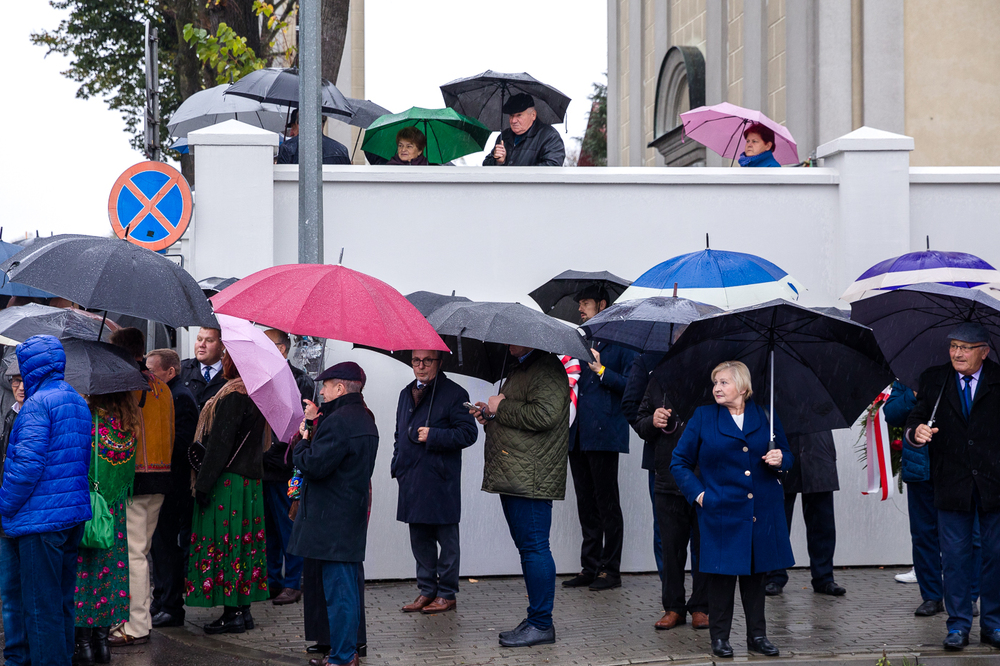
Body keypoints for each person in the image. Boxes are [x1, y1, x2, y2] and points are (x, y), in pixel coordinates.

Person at [670, 361, 793, 659]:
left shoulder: (765, 415)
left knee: (756, 578)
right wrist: (700, 496)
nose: (717, 388)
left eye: (724, 382)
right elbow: (679, 462)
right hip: (721, 510)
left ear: (743, 387)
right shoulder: (703, 416)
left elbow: (787, 457)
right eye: (715, 383)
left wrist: (780, 459)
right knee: (721, 578)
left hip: (760, 511)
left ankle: (757, 636)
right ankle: (720, 638)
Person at [906, 322, 1000, 651]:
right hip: (951, 483)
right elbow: (914, 417)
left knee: (995, 556)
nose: (957, 353)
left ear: (984, 352)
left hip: (994, 484)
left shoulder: (998, 380)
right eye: (954, 346)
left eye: (966, 347)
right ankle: (958, 625)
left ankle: (993, 624)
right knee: (955, 558)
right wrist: (916, 432)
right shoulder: (936, 378)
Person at [0, 335, 93, 666]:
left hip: (39, 519)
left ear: (31, 365)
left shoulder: (37, 405)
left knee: (40, 609)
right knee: (62, 602)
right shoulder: (76, 401)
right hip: (72, 515)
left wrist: (4, 508)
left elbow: (26, 468)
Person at [471, 344, 570, 648]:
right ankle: (536, 618)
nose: (507, 343)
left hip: (531, 474)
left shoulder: (547, 369)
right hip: (517, 471)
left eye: (514, 338)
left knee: (535, 547)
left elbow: (545, 415)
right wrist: (490, 416)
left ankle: (541, 623)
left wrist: (501, 408)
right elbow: (519, 418)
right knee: (529, 547)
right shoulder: (520, 368)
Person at [288, 362, 379, 666]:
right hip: (347, 514)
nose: (322, 391)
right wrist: (315, 424)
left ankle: (342, 656)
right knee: (346, 589)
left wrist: (303, 440)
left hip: (332, 519)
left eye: (325, 386)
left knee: (340, 593)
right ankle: (346, 651)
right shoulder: (363, 418)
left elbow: (314, 464)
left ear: (340, 388)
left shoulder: (340, 421)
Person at [186, 352, 269, 634]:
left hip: (228, 483)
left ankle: (232, 613)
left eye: (226, 356)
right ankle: (242, 610)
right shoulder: (256, 393)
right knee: (243, 546)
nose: (222, 360)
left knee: (226, 544)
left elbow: (220, 445)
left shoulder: (233, 394)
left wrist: (203, 485)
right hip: (249, 484)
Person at [392, 349, 478, 614]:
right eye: (416, 360)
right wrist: (397, 465)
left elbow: (468, 433)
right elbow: (399, 433)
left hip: (440, 480)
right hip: (412, 477)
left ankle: (447, 593)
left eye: (427, 361)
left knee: (447, 540)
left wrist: (435, 435)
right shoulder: (406, 392)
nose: (420, 366)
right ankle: (426, 590)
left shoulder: (455, 394)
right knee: (419, 538)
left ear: (439, 363)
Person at [563, 286, 636, 591]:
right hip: (577, 433)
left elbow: (633, 385)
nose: (580, 308)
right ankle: (589, 566)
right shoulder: (579, 339)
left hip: (604, 433)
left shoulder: (623, 340)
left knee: (607, 503)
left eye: (586, 303)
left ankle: (611, 570)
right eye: (579, 303)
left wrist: (601, 368)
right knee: (585, 503)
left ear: (602, 305)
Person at [105, 328, 175, 647]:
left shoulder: (125, 385)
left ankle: (135, 625)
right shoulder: (162, 386)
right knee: (142, 552)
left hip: (133, 479)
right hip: (161, 476)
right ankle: (140, 619)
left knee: (133, 554)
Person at [636, 372, 709, 630]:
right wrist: (651, 421)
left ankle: (702, 606)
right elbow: (640, 420)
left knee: (703, 548)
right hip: (667, 477)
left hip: (704, 479)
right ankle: (673, 607)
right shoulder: (658, 378)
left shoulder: (715, 379)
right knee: (671, 548)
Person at [74, 390, 140, 665]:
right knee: (110, 574)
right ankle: (102, 644)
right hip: (114, 512)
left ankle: (84, 645)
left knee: (84, 574)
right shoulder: (128, 425)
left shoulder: (90, 422)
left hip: (89, 507)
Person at [146, 349, 199, 629]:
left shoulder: (179, 397)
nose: (148, 376)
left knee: (167, 547)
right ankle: (161, 599)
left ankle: (171, 606)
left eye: (153, 372)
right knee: (159, 546)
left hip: (174, 484)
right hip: (165, 482)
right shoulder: (165, 394)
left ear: (170, 372)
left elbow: (183, 443)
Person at [261, 328, 312, 605]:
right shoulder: (259, 377)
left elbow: (297, 425)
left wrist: (273, 453)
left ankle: (293, 583)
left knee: (288, 525)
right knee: (268, 528)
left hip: (284, 465)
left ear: (281, 349)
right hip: (262, 466)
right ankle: (272, 580)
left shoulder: (299, 380)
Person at [765, 431, 846, 597]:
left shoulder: (822, 404)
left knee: (823, 524)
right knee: (778, 522)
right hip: (783, 452)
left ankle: (824, 578)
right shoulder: (775, 405)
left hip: (818, 453)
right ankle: (774, 575)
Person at [621, 351, 666, 582]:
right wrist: (651, 424)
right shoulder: (648, 359)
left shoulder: (708, 355)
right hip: (660, 460)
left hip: (702, 459)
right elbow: (631, 405)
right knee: (664, 529)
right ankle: (671, 600)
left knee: (701, 531)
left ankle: (701, 604)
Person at [0, 358, 25, 665]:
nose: (18, 386)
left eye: (23, 380)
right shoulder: (12, 413)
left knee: (28, 593)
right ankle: (16, 654)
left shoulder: (37, 413)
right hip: (8, 517)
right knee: (9, 593)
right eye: (14, 381)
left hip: (26, 516)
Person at [482, 93, 565, 167]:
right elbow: (486, 166)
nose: (513, 120)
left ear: (533, 115)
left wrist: (520, 176)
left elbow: (553, 167)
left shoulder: (549, 136)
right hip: (506, 185)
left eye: (519, 115)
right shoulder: (504, 137)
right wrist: (498, 162)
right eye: (511, 115)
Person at [276, 109, 351, 165]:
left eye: (293, 127)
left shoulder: (287, 148)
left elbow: (283, 182)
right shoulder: (342, 150)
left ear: (299, 124)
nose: (291, 133)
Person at [180, 327, 227, 408]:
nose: (202, 345)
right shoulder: (181, 369)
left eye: (209, 340)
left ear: (222, 345)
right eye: (199, 339)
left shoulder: (233, 374)